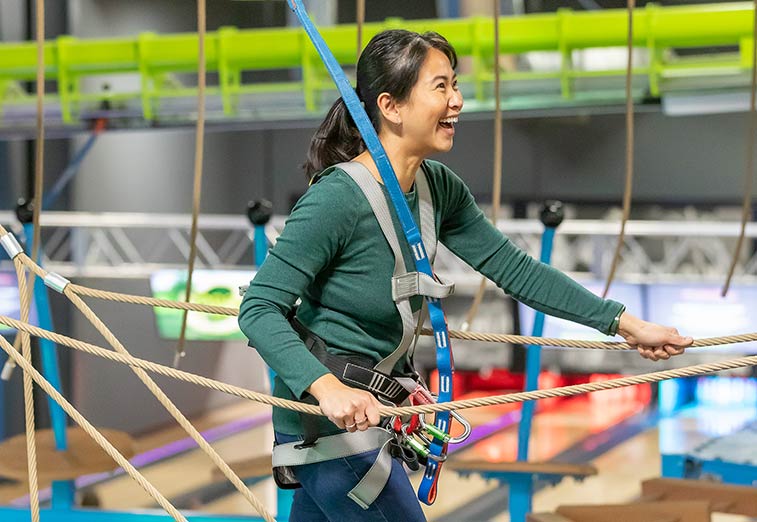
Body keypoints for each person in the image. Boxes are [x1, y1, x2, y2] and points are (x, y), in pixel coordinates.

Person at [238, 29, 692, 522]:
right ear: (391, 106)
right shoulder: (337, 199)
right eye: (441, 87)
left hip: (369, 416)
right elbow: (259, 308)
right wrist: (327, 388)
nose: (457, 101)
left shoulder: (437, 189)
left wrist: (625, 324)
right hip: (329, 427)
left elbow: (516, 270)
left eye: (455, 85)